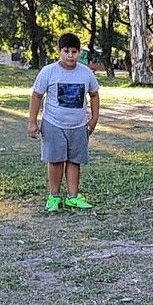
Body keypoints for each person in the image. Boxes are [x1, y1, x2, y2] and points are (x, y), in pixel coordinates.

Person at [28, 33, 100, 212]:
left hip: (78, 126)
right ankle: (54, 197)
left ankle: (73, 197)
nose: (70, 55)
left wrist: (94, 119)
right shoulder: (48, 72)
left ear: (79, 53)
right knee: (56, 160)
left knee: (74, 161)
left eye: (74, 51)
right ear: (59, 51)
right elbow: (37, 96)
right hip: (53, 124)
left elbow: (94, 95)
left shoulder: (85, 73)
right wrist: (32, 122)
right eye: (66, 51)